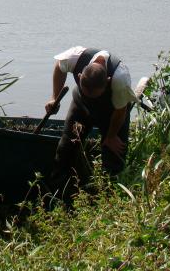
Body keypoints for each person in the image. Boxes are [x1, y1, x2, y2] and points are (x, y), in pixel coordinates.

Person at [44, 46, 137, 203]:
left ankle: (108, 201)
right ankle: (60, 198)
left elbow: (121, 111)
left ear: (107, 82)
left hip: (112, 111)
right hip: (81, 104)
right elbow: (59, 67)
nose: (92, 99)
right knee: (65, 148)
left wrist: (111, 136)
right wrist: (54, 96)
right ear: (80, 76)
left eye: (95, 95)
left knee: (114, 154)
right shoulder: (75, 57)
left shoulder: (120, 78)